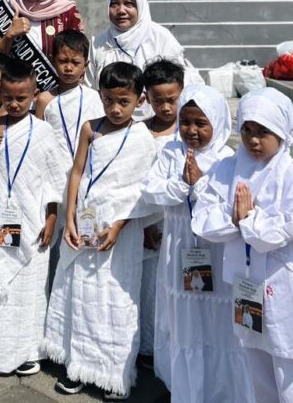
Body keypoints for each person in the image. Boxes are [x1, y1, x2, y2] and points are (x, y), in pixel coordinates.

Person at [192, 88, 293, 403]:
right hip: (246, 287)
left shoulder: (291, 173)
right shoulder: (227, 169)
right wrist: (234, 219)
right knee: (257, 368)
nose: (253, 140)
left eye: (263, 132)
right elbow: (203, 219)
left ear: (281, 132)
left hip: (283, 285)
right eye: (247, 130)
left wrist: (250, 221)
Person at [43, 62, 157, 400]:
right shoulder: (90, 128)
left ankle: (113, 374)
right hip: (85, 224)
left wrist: (119, 225)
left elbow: (142, 189)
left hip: (119, 232)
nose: (115, 109)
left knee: (114, 300)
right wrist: (70, 218)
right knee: (79, 294)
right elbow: (76, 173)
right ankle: (77, 366)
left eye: (124, 101)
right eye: (109, 100)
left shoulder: (142, 137)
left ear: (140, 100)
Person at [141, 84, 252, 403]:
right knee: (184, 317)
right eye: (185, 122)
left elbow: (232, 207)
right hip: (180, 249)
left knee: (217, 319)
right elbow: (150, 190)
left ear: (217, 122)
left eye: (200, 123)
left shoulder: (228, 159)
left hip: (215, 251)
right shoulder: (170, 152)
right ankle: (186, 388)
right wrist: (181, 184)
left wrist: (200, 184)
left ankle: (221, 388)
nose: (191, 130)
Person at [0, 59, 64, 376]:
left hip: (32, 217)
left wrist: (52, 217)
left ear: (34, 95)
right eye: (7, 97)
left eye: (21, 98)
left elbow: (54, 180)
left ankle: (28, 350)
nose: (14, 104)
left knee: (29, 285)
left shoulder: (44, 131)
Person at [138, 59, 186, 366]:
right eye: (158, 100)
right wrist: (145, 223)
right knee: (149, 288)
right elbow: (137, 181)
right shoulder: (141, 131)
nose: (166, 107)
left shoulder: (190, 130)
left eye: (172, 99)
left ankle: (178, 347)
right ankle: (149, 347)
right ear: (147, 97)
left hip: (181, 225)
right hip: (150, 224)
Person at [35, 30, 103, 218]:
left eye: (75, 62)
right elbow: (39, 141)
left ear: (85, 65)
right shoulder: (45, 99)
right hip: (55, 175)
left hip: (86, 173)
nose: (68, 68)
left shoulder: (95, 98)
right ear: (53, 60)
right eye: (63, 61)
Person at [87, 0, 202, 88]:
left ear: (140, 6)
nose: (121, 10)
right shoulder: (98, 42)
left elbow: (179, 82)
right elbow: (90, 86)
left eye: (129, 4)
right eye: (114, 4)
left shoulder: (160, 37)